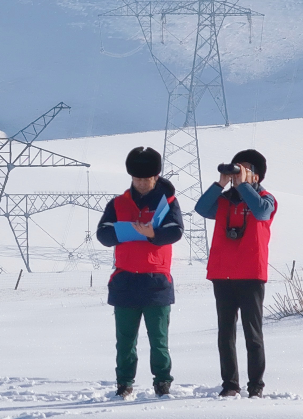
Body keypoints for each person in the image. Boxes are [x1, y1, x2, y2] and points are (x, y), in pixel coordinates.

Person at [97, 146, 184, 399]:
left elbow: (175, 231)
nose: (142, 184)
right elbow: (103, 234)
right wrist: (124, 232)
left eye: (146, 179)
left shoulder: (168, 203)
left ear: (156, 177)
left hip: (157, 281)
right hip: (125, 280)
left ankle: (163, 382)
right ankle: (124, 383)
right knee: (125, 341)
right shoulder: (117, 203)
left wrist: (152, 234)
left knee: (159, 340)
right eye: (137, 179)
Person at [194, 148, 277, 399]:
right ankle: (230, 384)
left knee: (253, 334)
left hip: (251, 274)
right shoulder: (224, 200)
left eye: (245, 170)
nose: (238, 173)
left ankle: (256, 387)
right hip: (223, 274)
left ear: (257, 175)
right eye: (236, 168)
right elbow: (201, 208)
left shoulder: (266, 198)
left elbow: (262, 212)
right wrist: (221, 183)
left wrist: (244, 187)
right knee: (225, 334)